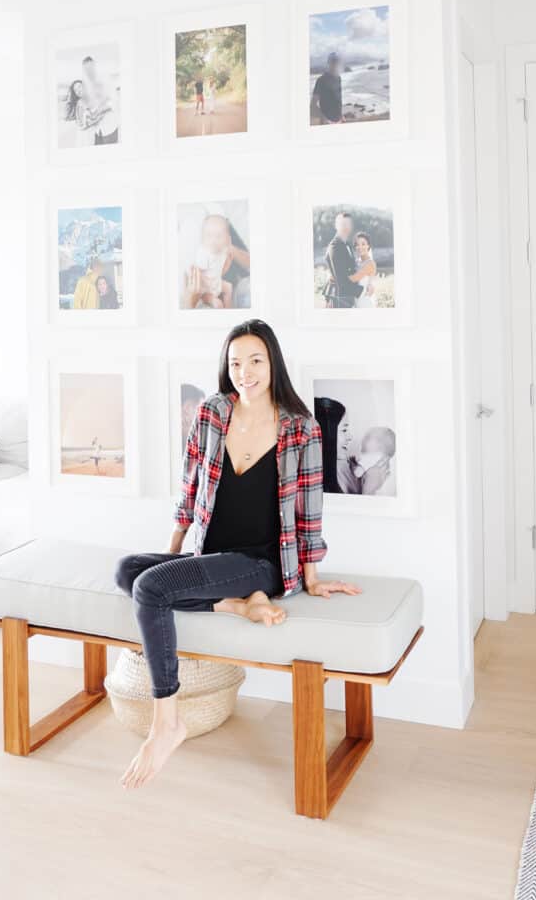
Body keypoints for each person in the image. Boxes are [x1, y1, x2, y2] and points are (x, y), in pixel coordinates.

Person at [113, 319, 362, 789]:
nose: (244, 372)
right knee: (130, 569)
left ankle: (166, 722)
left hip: (263, 563)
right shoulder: (212, 413)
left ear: (273, 364)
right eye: (235, 363)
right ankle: (235, 605)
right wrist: (171, 554)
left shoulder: (301, 428)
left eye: (255, 361)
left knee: (149, 588)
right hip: (214, 557)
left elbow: (309, 511)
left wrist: (311, 578)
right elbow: (189, 489)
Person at [313, 396, 391, 495]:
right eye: (344, 430)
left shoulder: (349, 464)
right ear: (327, 433)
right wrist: (369, 489)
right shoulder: (318, 481)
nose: (350, 437)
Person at [182, 213, 251, 310]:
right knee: (217, 304)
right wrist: (207, 282)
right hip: (205, 288)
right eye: (209, 236)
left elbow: (223, 266)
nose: (213, 240)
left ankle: (228, 309)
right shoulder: (203, 253)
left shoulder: (222, 251)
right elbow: (198, 272)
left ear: (227, 238)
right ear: (202, 238)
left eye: (219, 236)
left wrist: (227, 260)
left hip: (217, 281)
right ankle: (217, 304)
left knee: (228, 288)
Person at [322, 212, 364, 309]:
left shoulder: (347, 244)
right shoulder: (335, 246)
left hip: (347, 296)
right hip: (339, 297)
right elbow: (341, 280)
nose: (346, 227)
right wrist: (362, 290)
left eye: (348, 224)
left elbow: (351, 269)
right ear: (336, 226)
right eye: (343, 224)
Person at [81, 55, 119, 145]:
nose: (88, 71)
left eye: (90, 68)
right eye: (86, 69)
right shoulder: (87, 86)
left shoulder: (106, 80)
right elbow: (89, 105)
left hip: (109, 130)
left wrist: (100, 110)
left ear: (94, 66)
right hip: (97, 131)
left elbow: (113, 102)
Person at [311, 51, 343, 124]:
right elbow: (313, 105)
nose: (335, 64)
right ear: (329, 63)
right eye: (333, 61)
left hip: (339, 121)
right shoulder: (321, 80)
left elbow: (338, 100)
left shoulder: (338, 78)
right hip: (326, 122)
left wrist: (341, 115)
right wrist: (324, 118)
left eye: (337, 61)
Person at [351, 231, 378, 308]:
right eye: (357, 244)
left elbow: (354, 279)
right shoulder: (356, 262)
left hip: (365, 302)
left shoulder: (370, 264)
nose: (360, 247)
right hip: (355, 302)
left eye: (363, 244)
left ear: (368, 246)